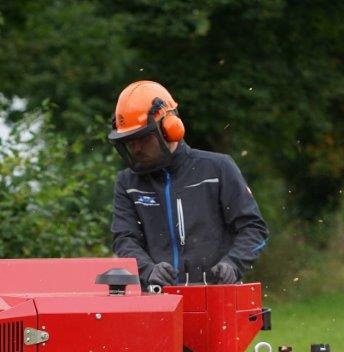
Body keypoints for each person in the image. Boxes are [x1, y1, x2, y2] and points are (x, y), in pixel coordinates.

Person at [109, 80, 268, 287]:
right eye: (130, 141)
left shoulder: (218, 169)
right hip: (158, 298)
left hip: (215, 295)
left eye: (143, 138)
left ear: (169, 128)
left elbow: (254, 228)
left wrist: (233, 264)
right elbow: (124, 238)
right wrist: (148, 270)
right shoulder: (127, 183)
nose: (136, 148)